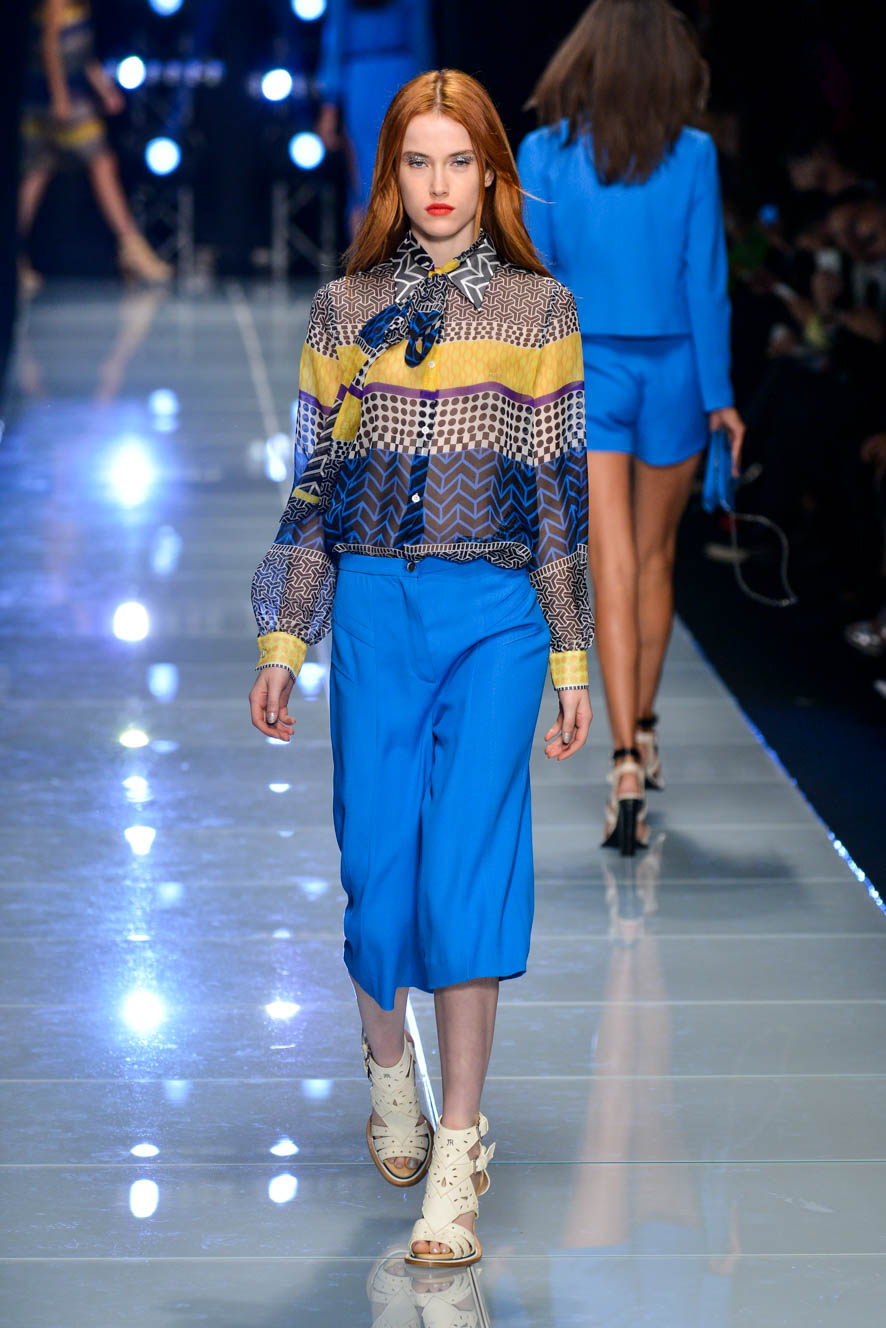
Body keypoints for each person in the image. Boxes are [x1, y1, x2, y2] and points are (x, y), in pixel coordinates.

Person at [249, 67, 593, 1267]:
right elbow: (310, 485)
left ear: (492, 176)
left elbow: (559, 495)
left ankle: (458, 1149)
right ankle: (387, 1064)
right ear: (390, 175)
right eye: (417, 161)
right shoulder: (341, 311)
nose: (439, 185)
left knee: (464, 876)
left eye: (460, 162)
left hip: (495, 610)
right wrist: (285, 637)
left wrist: (570, 651)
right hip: (373, 610)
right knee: (377, 870)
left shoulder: (540, 313)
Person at [518, 0, 744, 853]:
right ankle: (641, 732)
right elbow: (704, 280)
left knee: (609, 565)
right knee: (654, 560)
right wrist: (720, 396)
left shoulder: (545, 154)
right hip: (677, 369)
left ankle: (621, 761)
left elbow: (538, 285)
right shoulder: (693, 155)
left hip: (589, 371)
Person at [18, 0, 172, 292]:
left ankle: (12, 254)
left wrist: (104, 90)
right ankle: (131, 246)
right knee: (100, 162)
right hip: (52, 98)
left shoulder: (82, 5)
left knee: (36, 173)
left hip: (61, 96)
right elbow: (49, 47)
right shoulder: (56, 3)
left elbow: (82, 56)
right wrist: (59, 97)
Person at [315, 0, 433, 238]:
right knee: (366, 174)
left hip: (401, 75)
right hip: (364, 73)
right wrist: (330, 103)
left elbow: (421, 34)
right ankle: (370, 252)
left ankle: (403, 250)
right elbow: (335, 35)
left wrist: (430, 92)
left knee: (407, 169)